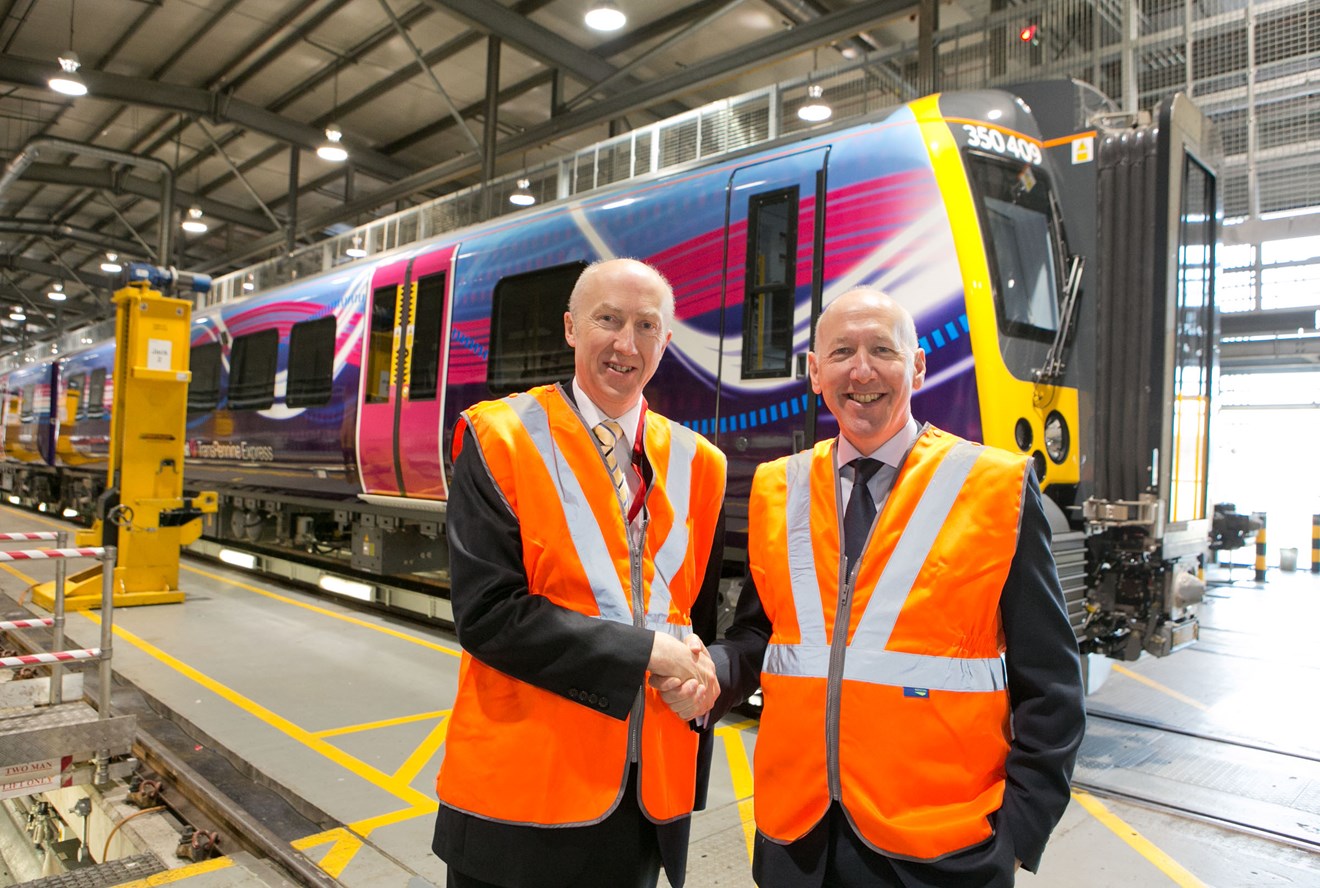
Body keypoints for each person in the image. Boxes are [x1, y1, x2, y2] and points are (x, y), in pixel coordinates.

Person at [699, 286, 1085, 887]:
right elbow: (763, 635)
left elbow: (1053, 685)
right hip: (798, 843)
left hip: (941, 853)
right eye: (842, 352)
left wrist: (1017, 834)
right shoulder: (779, 489)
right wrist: (713, 669)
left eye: (883, 349)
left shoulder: (995, 488)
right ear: (814, 372)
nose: (861, 370)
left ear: (919, 365)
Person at [432, 258, 727, 888]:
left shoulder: (702, 465)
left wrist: (702, 682)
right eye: (608, 320)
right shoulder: (499, 437)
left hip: (642, 798)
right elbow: (487, 615)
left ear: (666, 343)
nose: (626, 343)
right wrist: (651, 653)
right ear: (570, 328)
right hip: (520, 799)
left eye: (647, 325)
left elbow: (690, 623)